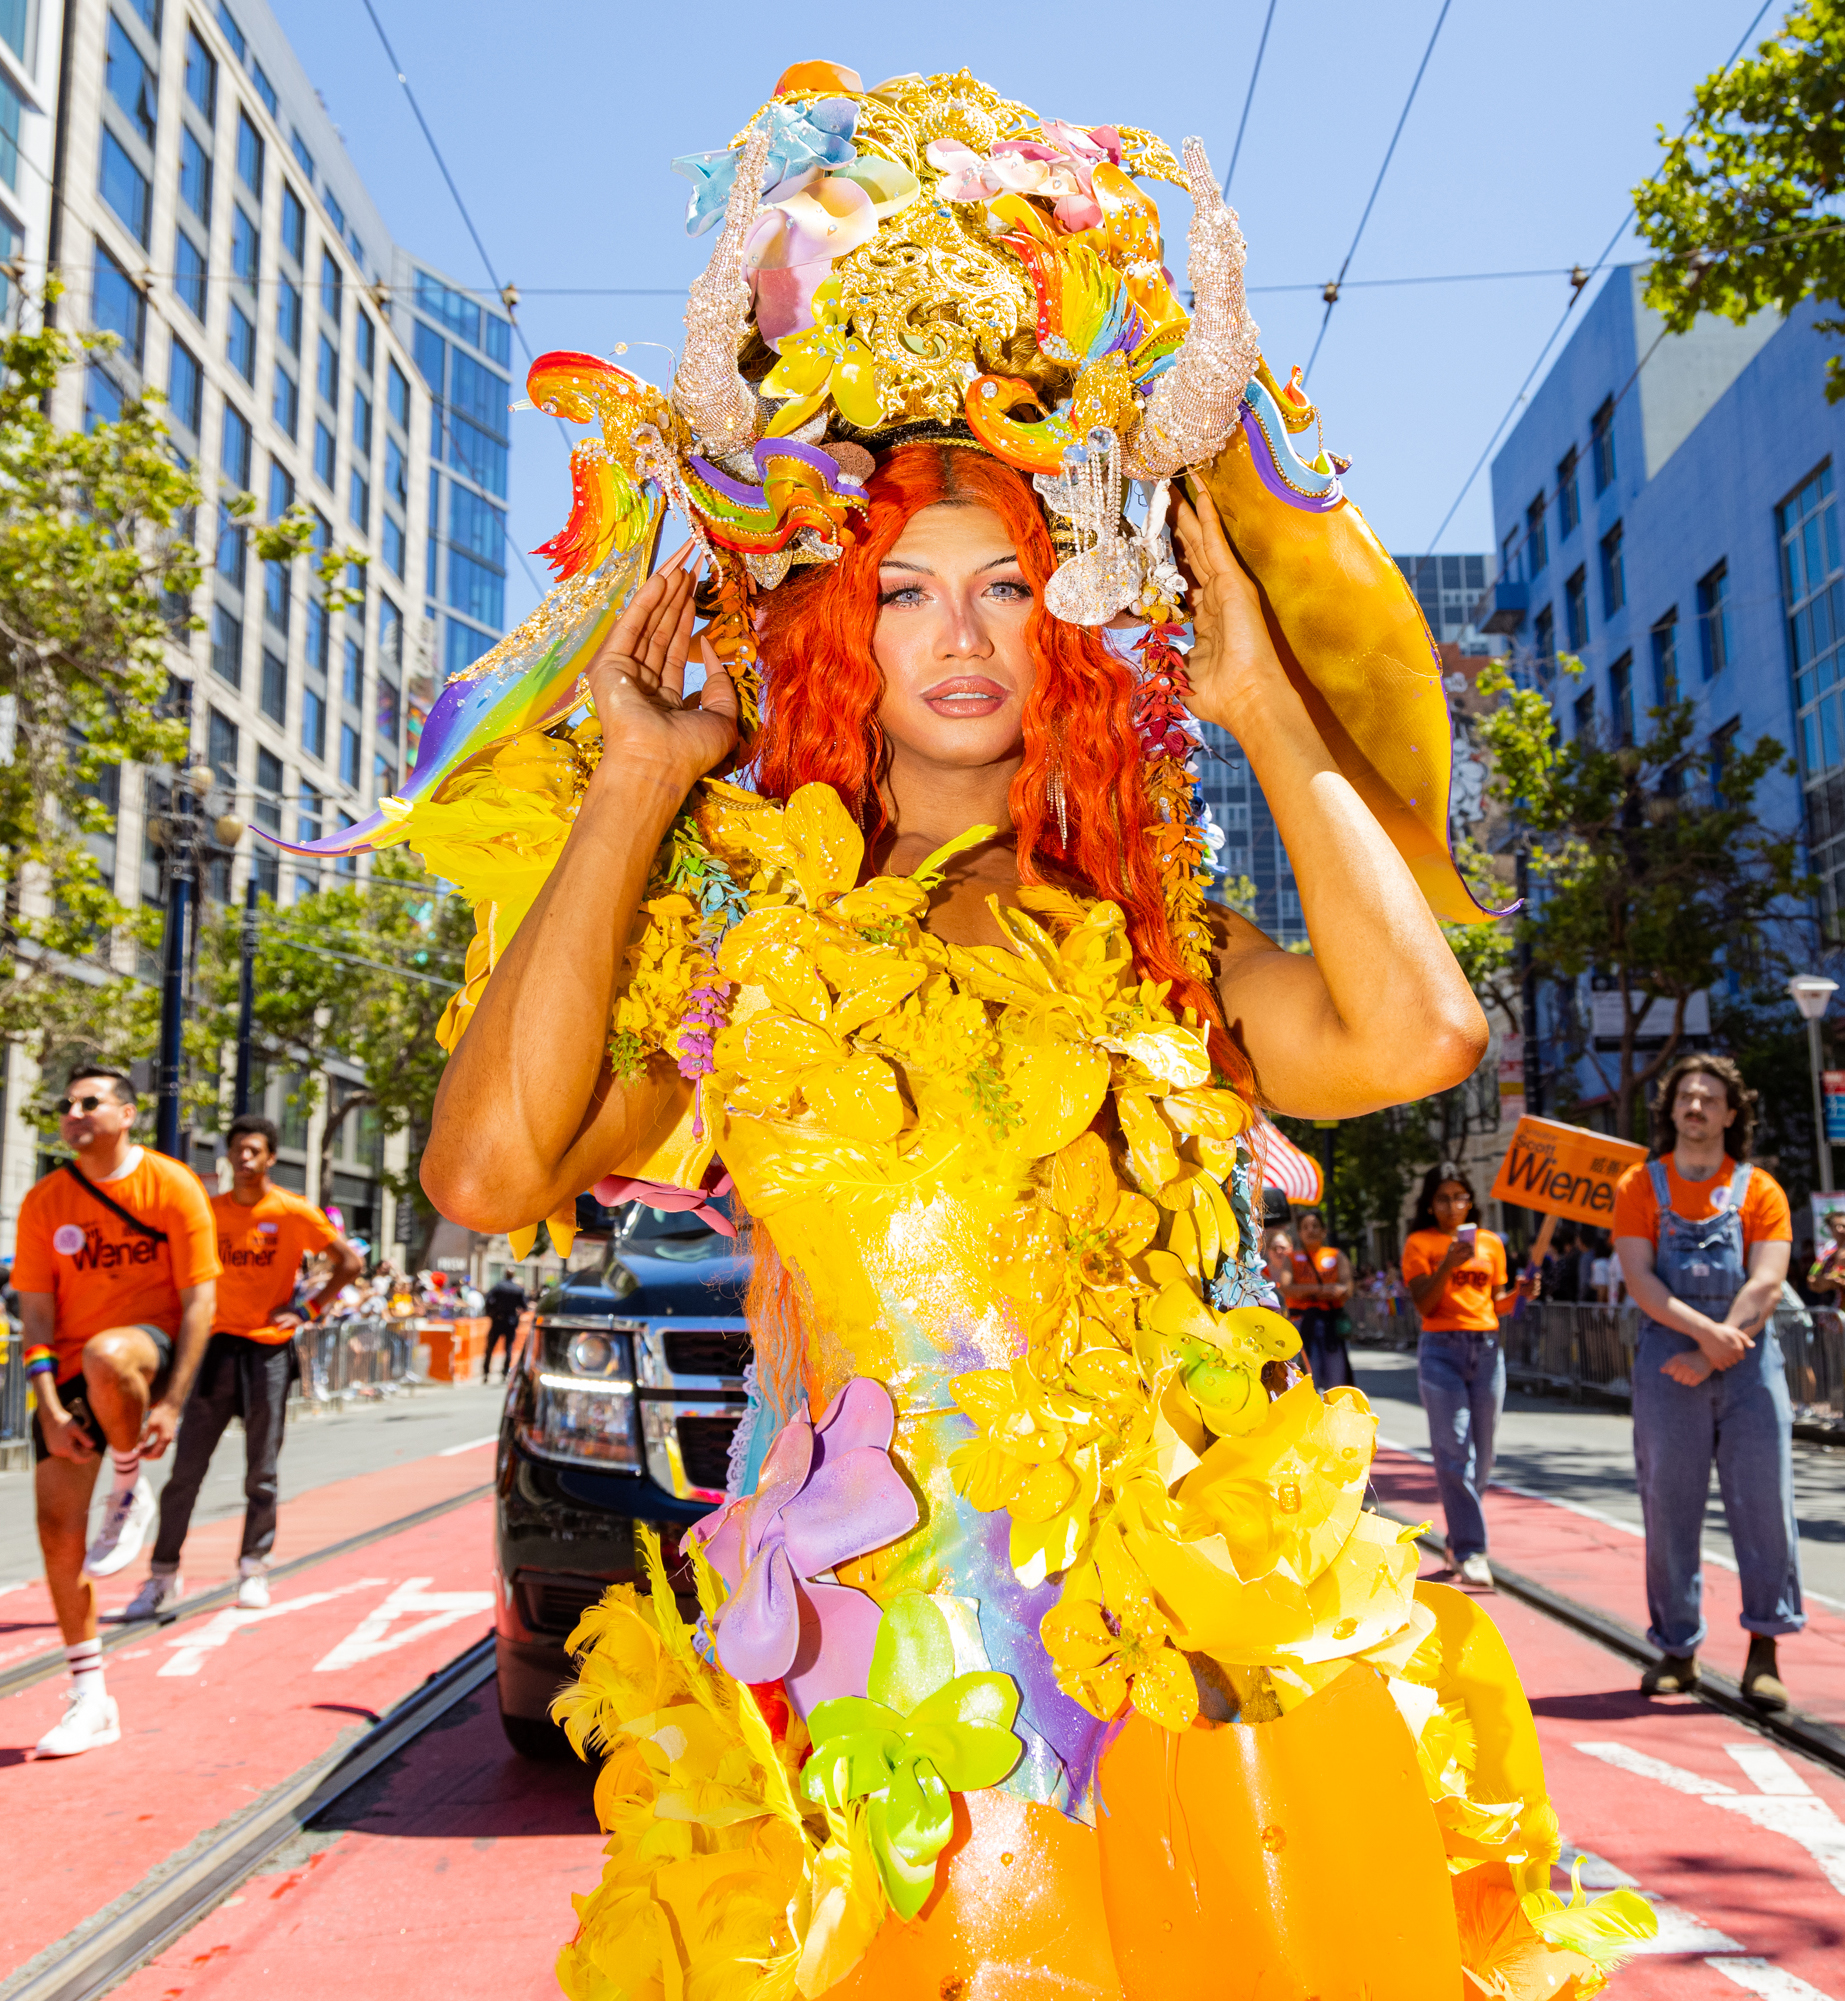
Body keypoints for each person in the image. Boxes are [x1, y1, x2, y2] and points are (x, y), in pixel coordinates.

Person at [361, 64, 1650, 1997]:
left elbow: (1416, 1039)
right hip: (875, 1692)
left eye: (1005, 587)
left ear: (1059, 625)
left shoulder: (1145, 943)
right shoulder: (735, 950)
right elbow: (484, 1171)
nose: (958, 634)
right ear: (837, 635)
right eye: (903, 592)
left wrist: (1272, 713)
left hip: (1163, 1664)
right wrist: (635, 786)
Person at [11, 1066, 218, 1756]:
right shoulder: (45, 1199)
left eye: (88, 1102)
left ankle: (130, 1483)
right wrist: (45, 1406)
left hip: (144, 1353)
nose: (73, 1112)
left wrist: (172, 1403)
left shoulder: (171, 1184)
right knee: (56, 1529)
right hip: (69, 1370)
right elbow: (35, 1312)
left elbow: (200, 1302)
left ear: (126, 1113)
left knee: (107, 1352)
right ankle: (91, 1696)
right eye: (66, 1104)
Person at [1612, 1053, 1799, 1711]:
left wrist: (1719, 1348)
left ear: (1729, 1112)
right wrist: (1702, 1338)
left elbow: (1768, 1279)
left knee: (1764, 1504)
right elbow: (1641, 1279)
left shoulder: (1761, 1189)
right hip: (1670, 1360)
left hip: (1748, 1362)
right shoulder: (1640, 1184)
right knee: (1668, 1504)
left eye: (1709, 1098)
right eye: (1685, 1097)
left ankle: (1765, 1650)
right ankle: (1677, 1648)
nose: (1696, 1107)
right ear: (1671, 1111)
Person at [117, 1116, 361, 1621]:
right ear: (227, 1157)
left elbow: (349, 1263)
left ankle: (253, 1567)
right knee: (185, 1473)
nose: (244, 1158)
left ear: (271, 1157)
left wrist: (309, 1309)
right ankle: (162, 1576)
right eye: (237, 1150)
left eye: (254, 1150)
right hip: (214, 1350)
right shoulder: (208, 1213)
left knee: (262, 1473)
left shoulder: (293, 1211)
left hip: (268, 1352)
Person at [1402, 1167, 1535, 1592]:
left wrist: (1522, 1295)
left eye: (1459, 1197)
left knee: (1484, 1456)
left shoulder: (1491, 1243)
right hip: (1441, 1350)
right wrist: (1447, 1267)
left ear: (1470, 1201)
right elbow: (1424, 1303)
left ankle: (1458, 1540)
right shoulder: (1419, 1244)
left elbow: (1496, 1303)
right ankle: (1472, 1551)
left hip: (1487, 1350)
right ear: (1429, 1204)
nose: (1452, 1206)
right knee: (1454, 1452)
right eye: (1442, 1198)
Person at [1293, 1208, 1355, 1390]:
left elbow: (1346, 1288)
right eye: (1305, 1227)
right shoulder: (1293, 1259)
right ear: (1299, 1232)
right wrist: (1323, 1289)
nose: (1310, 1230)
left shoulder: (1336, 1256)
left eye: (1315, 1226)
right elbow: (1288, 1289)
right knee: (1307, 1382)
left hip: (1330, 1325)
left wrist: (1307, 1292)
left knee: (1337, 1383)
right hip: (1304, 1325)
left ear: (1323, 1230)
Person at [483, 1265, 528, 1381]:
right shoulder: (517, 1289)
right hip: (511, 1321)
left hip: (498, 1319)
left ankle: (486, 1372)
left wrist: (490, 1313)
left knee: (490, 1347)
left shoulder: (498, 1287)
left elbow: (488, 1300)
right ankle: (505, 1372)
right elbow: (524, 1306)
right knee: (508, 1348)